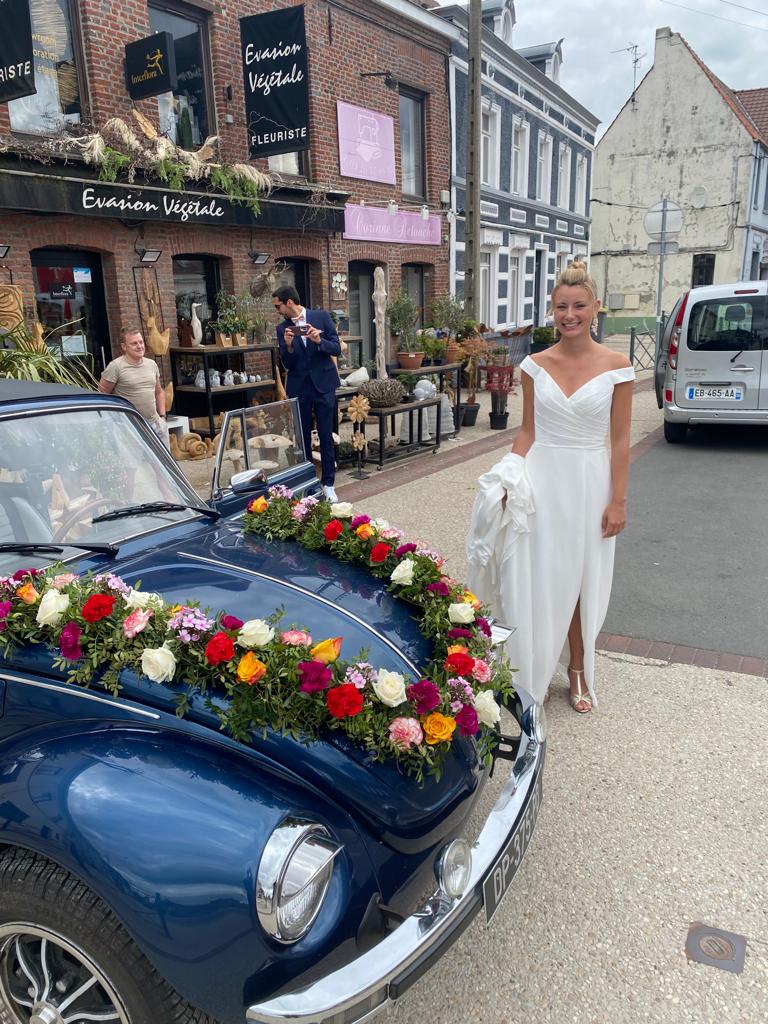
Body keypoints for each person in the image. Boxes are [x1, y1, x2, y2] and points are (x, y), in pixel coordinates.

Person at [466, 261, 634, 713]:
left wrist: (618, 500)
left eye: (578, 306)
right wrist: (509, 477)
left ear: (595, 307)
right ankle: (534, 667)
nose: (569, 315)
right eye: (561, 307)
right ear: (552, 310)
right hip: (541, 482)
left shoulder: (617, 367)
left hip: (590, 485)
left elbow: (620, 440)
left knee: (580, 581)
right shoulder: (534, 366)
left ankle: (577, 667)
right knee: (538, 576)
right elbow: (528, 432)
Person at [274, 285, 341, 502]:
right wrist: (288, 346)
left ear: (289, 302)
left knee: (325, 435)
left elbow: (336, 348)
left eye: (278, 306)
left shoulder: (321, 317)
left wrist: (319, 341)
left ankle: (328, 484)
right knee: (302, 439)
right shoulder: (282, 328)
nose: (277, 310)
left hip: (324, 384)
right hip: (300, 387)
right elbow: (287, 364)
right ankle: (308, 484)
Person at [98, 328, 168, 444]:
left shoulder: (151, 364)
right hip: (129, 426)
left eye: (141, 342)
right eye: (134, 343)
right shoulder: (115, 367)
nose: (139, 346)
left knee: (163, 457)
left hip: (155, 425)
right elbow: (102, 396)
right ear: (124, 347)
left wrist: (162, 417)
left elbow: (159, 392)